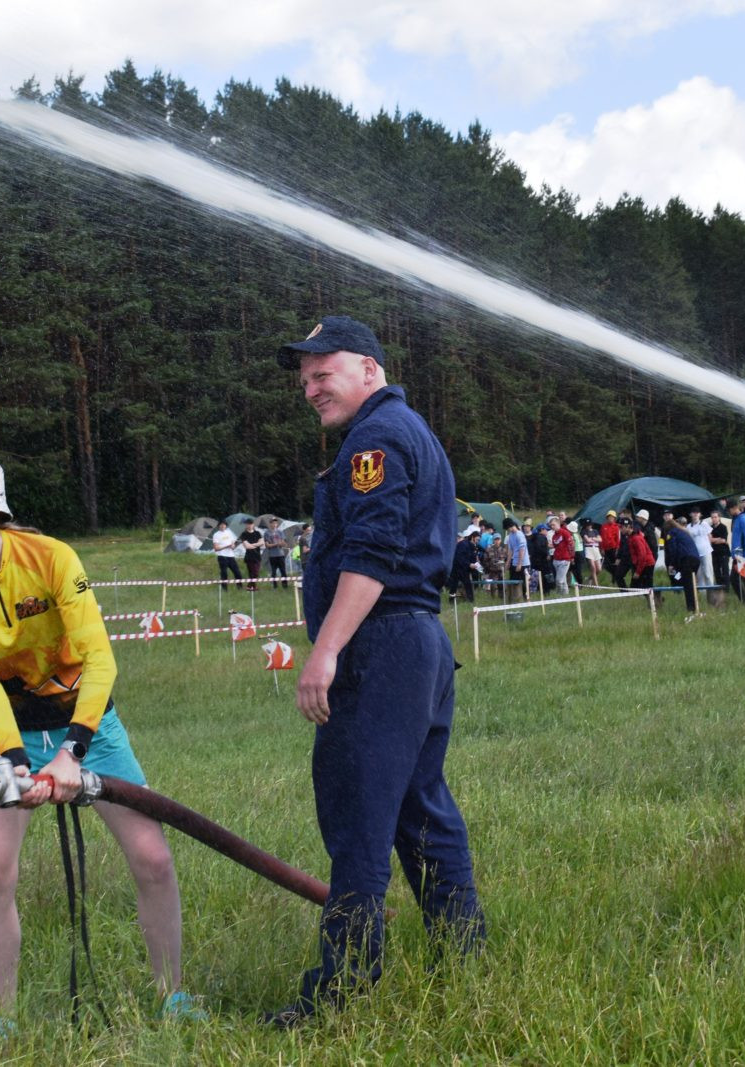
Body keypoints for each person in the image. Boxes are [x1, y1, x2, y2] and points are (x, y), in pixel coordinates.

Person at [0, 452, 196, 1025]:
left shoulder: (53, 559)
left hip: (91, 728)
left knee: (153, 860)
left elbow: (99, 657)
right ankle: (2, 1018)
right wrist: (15, 762)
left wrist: (74, 751)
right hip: (9, 731)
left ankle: (174, 996)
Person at [272, 315, 485, 1027]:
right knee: (421, 810)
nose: (310, 390)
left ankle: (341, 992)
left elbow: (373, 553)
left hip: (383, 645)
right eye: (303, 380)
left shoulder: (376, 439)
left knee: (359, 817)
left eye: (321, 373)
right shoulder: (407, 430)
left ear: (369, 368)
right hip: (418, 642)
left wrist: (326, 651)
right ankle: (467, 959)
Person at [663, 515, 703, 619]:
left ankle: (691, 609)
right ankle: (694, 606)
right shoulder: (683, 532)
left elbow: (673, 550)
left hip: (687, 560)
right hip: (695, 559)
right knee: (690, 583)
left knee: (688, 586)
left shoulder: (671, 533)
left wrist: (672, 564)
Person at [238, 518, 263, 592]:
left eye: (250, 524)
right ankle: (252, 587)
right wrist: (256, 544)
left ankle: (250, 587)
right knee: (253, 572)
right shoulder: (244, 534)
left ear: (253, 524)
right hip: (249, 556)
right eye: (248, 524)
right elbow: (247, 546)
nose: (249, 525)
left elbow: (262, 543)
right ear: (246, 525)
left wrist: (252, 544)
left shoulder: (257, 533)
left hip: (257, 555)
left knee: (256, 573)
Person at [264, 518, 290, 588]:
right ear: (270, 524)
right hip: (272, 555)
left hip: (281, 554)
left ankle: (285, 586)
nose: (275, 524)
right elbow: (267, 545)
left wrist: (282, 543)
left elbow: (284, 543)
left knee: (283, 571)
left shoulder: (280, 532)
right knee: (273, 572)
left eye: (276, 523)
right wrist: (276, 544)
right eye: (273, 523)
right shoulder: (267, 533)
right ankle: (274, 586)